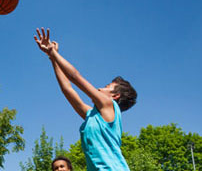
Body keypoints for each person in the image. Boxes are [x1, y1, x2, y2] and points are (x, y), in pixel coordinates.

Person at [34, 28, 137, 171]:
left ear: (115, 96)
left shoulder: (109, 104)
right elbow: (68, 90)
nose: (101, 88)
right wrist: (52, 58)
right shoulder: (93, 116)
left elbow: (75, 77)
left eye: (107, 86)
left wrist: (54, 52)